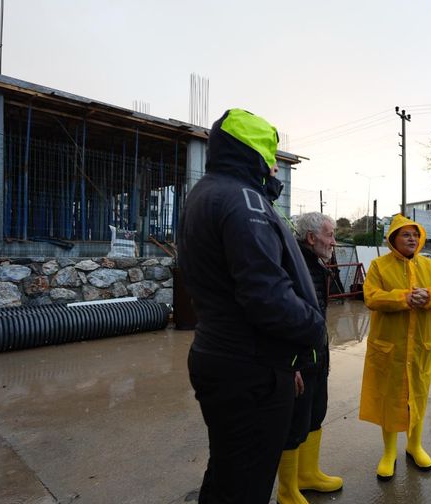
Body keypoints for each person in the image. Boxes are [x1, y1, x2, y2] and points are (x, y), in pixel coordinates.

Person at [178, 108, 325, 504]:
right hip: (249, 370)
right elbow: (266, 295)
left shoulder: (207, 193)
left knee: (229, 471)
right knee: (247, 482)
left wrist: (286, 361)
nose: (276, 167)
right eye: (271, 156)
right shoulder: (245, 201)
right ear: (255, 154)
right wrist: (313, 331)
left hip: (233, 358)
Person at [358, 213, 431, 481]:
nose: (412, 239)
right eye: (405, 234)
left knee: (417, 397)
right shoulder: (379, 265)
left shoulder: (430, 267)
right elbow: (371, 297)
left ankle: (414, 445)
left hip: (420, 346)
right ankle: (389, 453)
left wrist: (430, 296)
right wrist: (405, 298)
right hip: (390, 347)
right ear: (393, 239)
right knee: (390, 397)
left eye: (415, 235)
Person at [276, 212, 343, 504]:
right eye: (329, 235)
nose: (334, 242)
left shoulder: (316, 264)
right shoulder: (294, 264)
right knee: (294, 424)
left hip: (317, 356)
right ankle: (287, 490)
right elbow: (283, 318)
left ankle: (308, 475)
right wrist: (292, 365)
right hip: (299, 361)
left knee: (315, 415)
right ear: (312, 238)